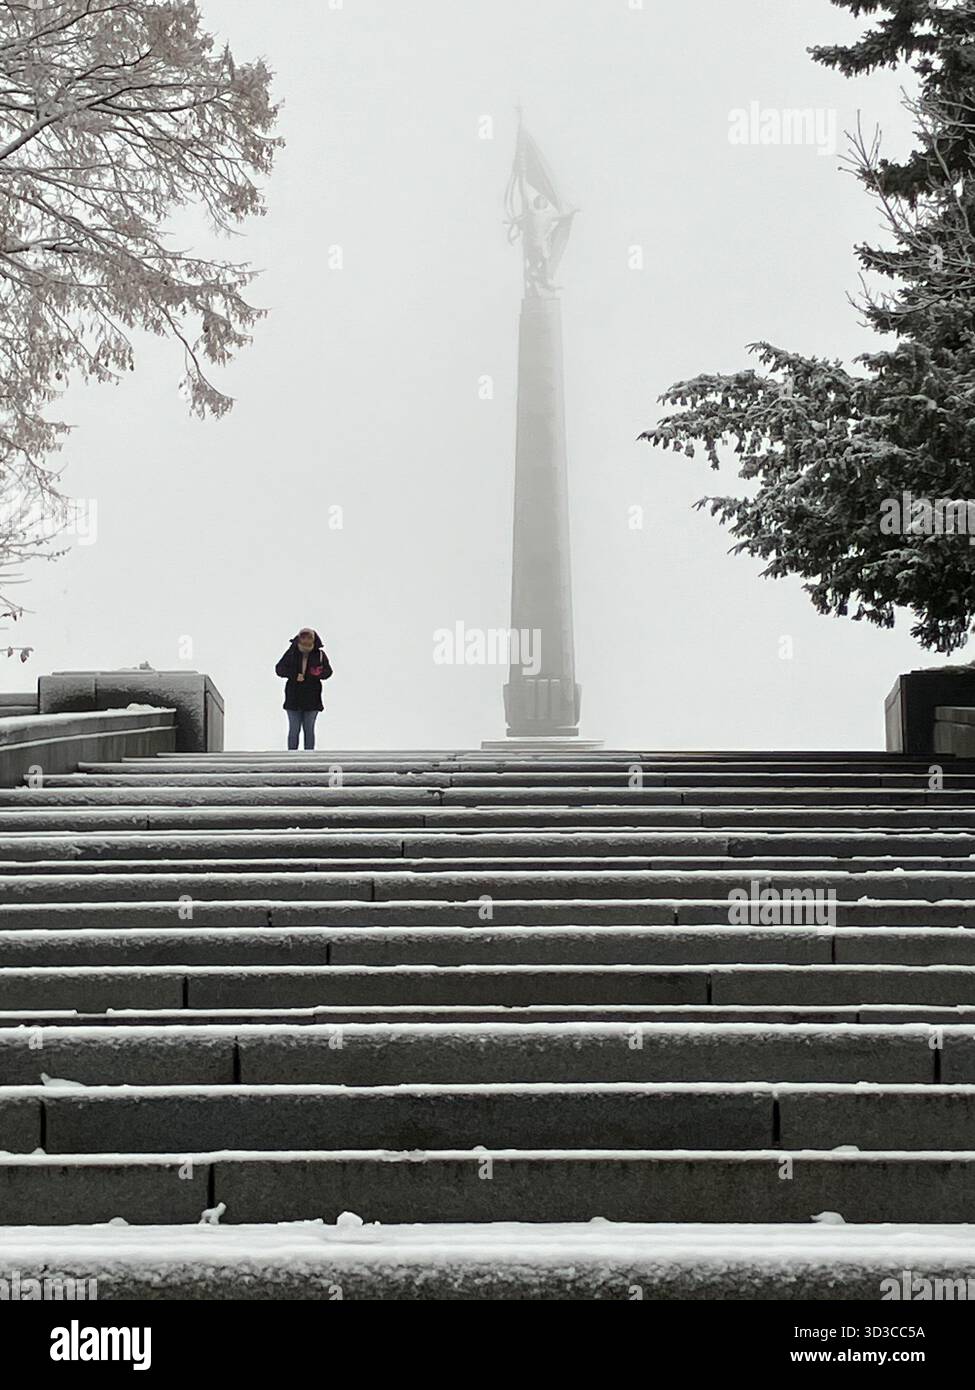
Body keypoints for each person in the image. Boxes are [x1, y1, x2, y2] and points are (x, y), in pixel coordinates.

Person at [275, 627, 333, 750]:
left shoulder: (320, 655)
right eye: (303, 637)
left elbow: (328, 672)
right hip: (293, 697)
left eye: (309, 637)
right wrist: (294, 675)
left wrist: (318, 673)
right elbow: (279, 669)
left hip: (312, 698)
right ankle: (292, 756)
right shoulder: (291, 652)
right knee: (294, 729)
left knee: (309, 729)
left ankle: (309, 756)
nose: (306, 640)